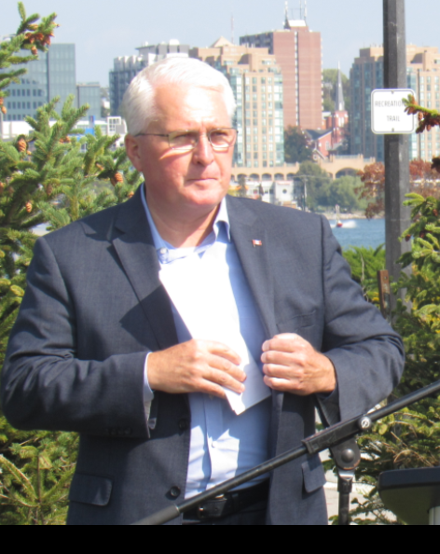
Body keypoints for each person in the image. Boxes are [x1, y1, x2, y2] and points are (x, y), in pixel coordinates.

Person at [1, 57, 404, 524]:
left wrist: (326, 372)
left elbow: (381, 349)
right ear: (134, 150)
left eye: (218, 136)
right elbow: (24, 386)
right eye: (181, 138)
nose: (205, 156)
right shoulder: (72, 256)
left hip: (275, 511)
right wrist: (149, 374)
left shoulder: (299, 239)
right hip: (141, 513)